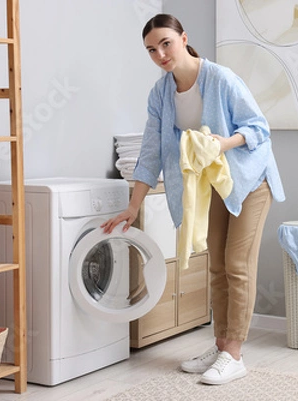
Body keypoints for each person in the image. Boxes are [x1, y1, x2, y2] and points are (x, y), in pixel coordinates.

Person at [101, 13, 285, 385]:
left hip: (250, 180)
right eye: (152, 49)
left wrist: (223, 142)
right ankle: (220, 346)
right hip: (214, 183)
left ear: (184, 39)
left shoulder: (219, 78)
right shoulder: (161, 93)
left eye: (166, 43)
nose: (160, 54)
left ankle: (235, 354)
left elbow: (258, 128)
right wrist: (133, 206)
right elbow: (151, 152)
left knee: (237, 264)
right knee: (215, 264)